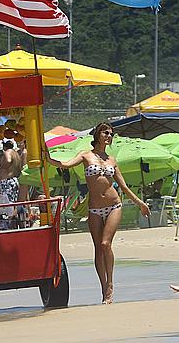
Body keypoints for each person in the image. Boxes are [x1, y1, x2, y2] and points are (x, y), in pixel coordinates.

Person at [46, 122, 150, 304]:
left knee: (105, 244)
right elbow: (66, 164)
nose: (109, 136)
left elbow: (124, 187)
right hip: (94, 208)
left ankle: (110, 284)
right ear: (97, 135)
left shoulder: (112, 160)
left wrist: (140, 203)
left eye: (111, 133)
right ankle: (103, 288)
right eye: (105, 132)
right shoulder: (86, 155)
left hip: (113, 205)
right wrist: (47, 157)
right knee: (97, 248)